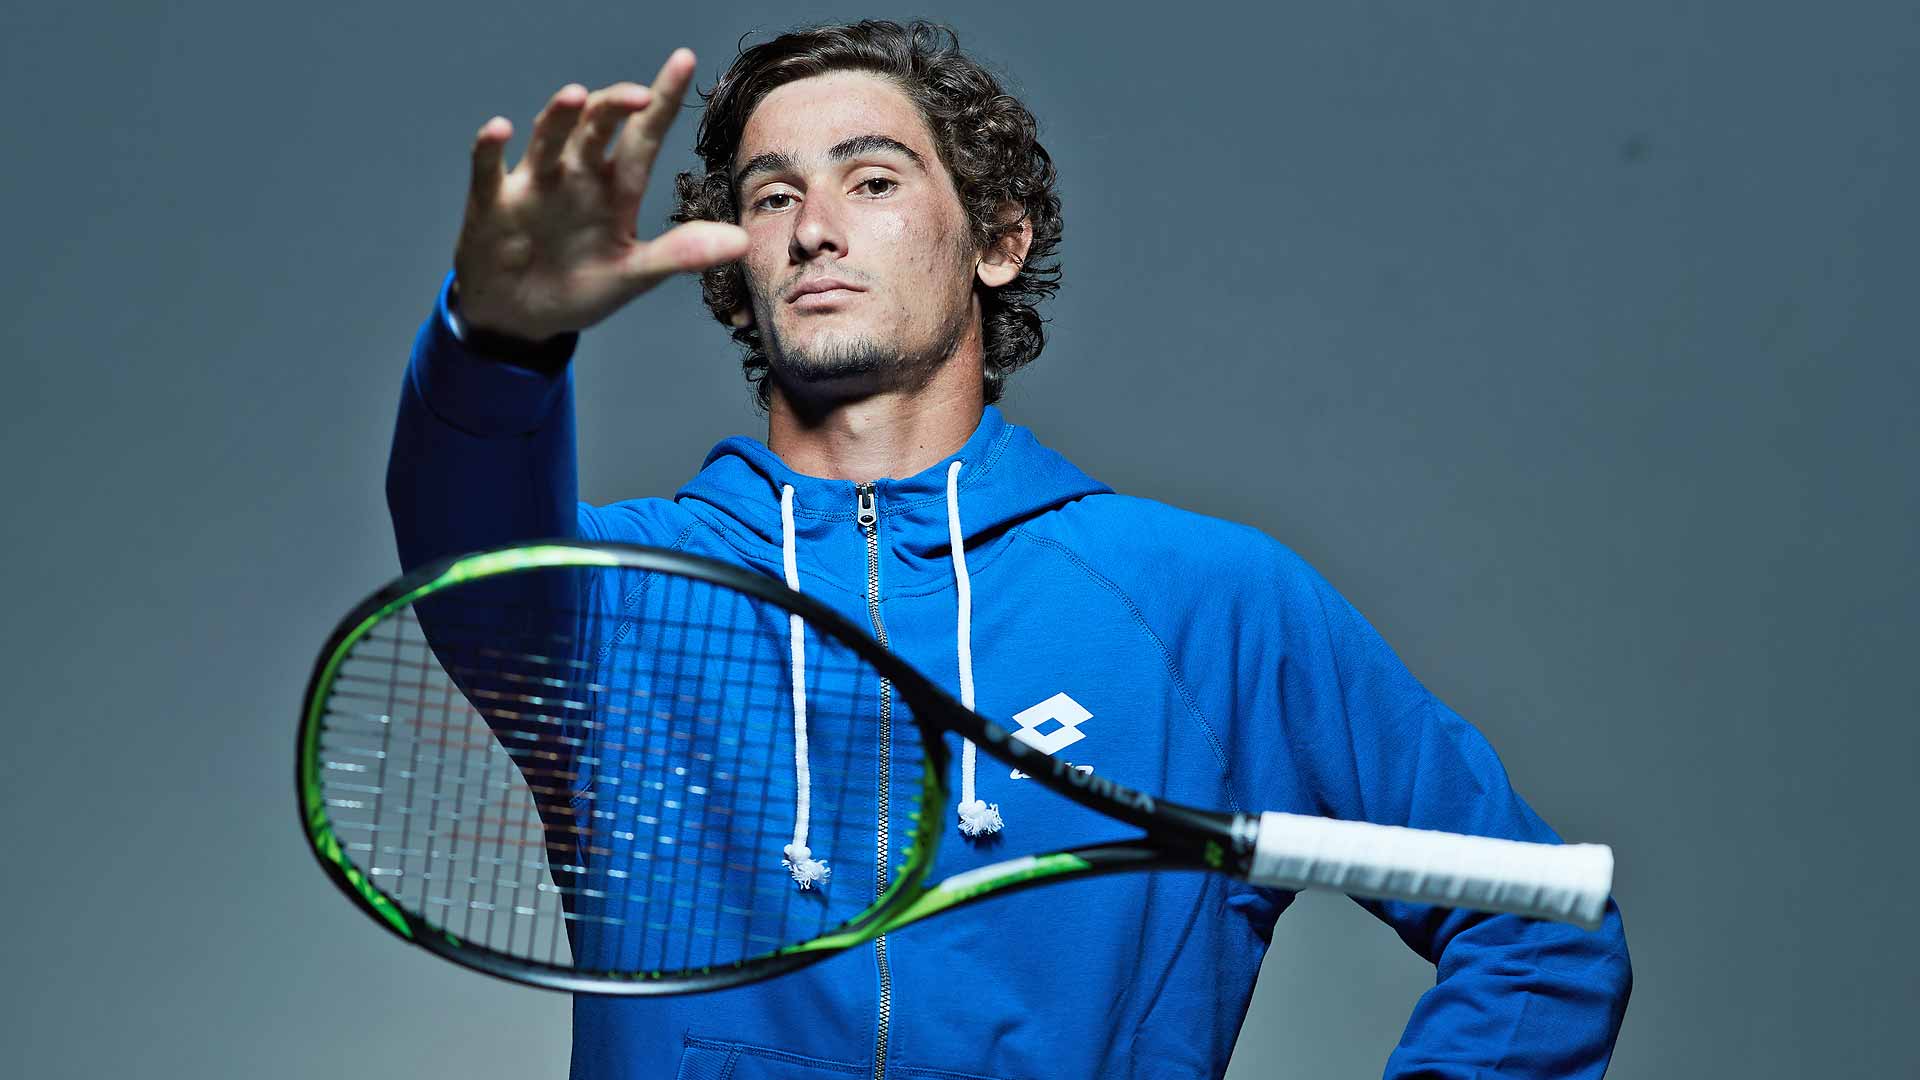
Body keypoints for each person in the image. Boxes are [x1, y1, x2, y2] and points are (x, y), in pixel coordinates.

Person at [386, 19, 1632, 1080]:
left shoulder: (1206, 604)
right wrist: (498, 342)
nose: (816, 225)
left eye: (871, 180)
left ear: (998, 242)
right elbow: (464, 532)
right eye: (772, 197)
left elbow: (1542, 927)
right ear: (738, 266)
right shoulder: (621, 602)